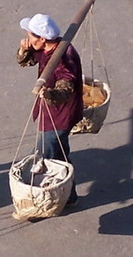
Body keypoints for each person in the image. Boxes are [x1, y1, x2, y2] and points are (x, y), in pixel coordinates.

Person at [17, 13, 83, 206]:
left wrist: (49, 94)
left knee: (41, 159)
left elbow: (66, 89)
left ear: (42, 38)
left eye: (30, 36)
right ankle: (70, 196)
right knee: (60, 156)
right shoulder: (45, 48)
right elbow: (25, 62)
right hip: (52, 114)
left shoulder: (64, 59)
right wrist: (24, 49)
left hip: (59, 117)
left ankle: (41, 203)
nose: (27, 39)